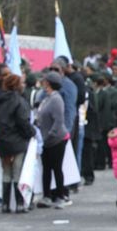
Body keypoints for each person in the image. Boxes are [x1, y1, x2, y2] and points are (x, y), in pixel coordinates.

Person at [0, 74, 35, 214]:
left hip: (1, 141)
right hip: (17, 141)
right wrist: (31, 133)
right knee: (18, 172)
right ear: (16, 85)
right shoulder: (20, 101)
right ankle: (20, 204)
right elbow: (23, 121)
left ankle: (5, 204)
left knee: (6, 171)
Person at [36, 71, 71, 209]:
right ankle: (47, 195)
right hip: (46, 139)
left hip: (56, 140)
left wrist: (49, 136)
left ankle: (61, 195)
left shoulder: (56, 99)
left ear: (48, 83)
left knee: (56, 168)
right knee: (46, 169)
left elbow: (58, 121)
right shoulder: (47, 98)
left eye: (45, 81)